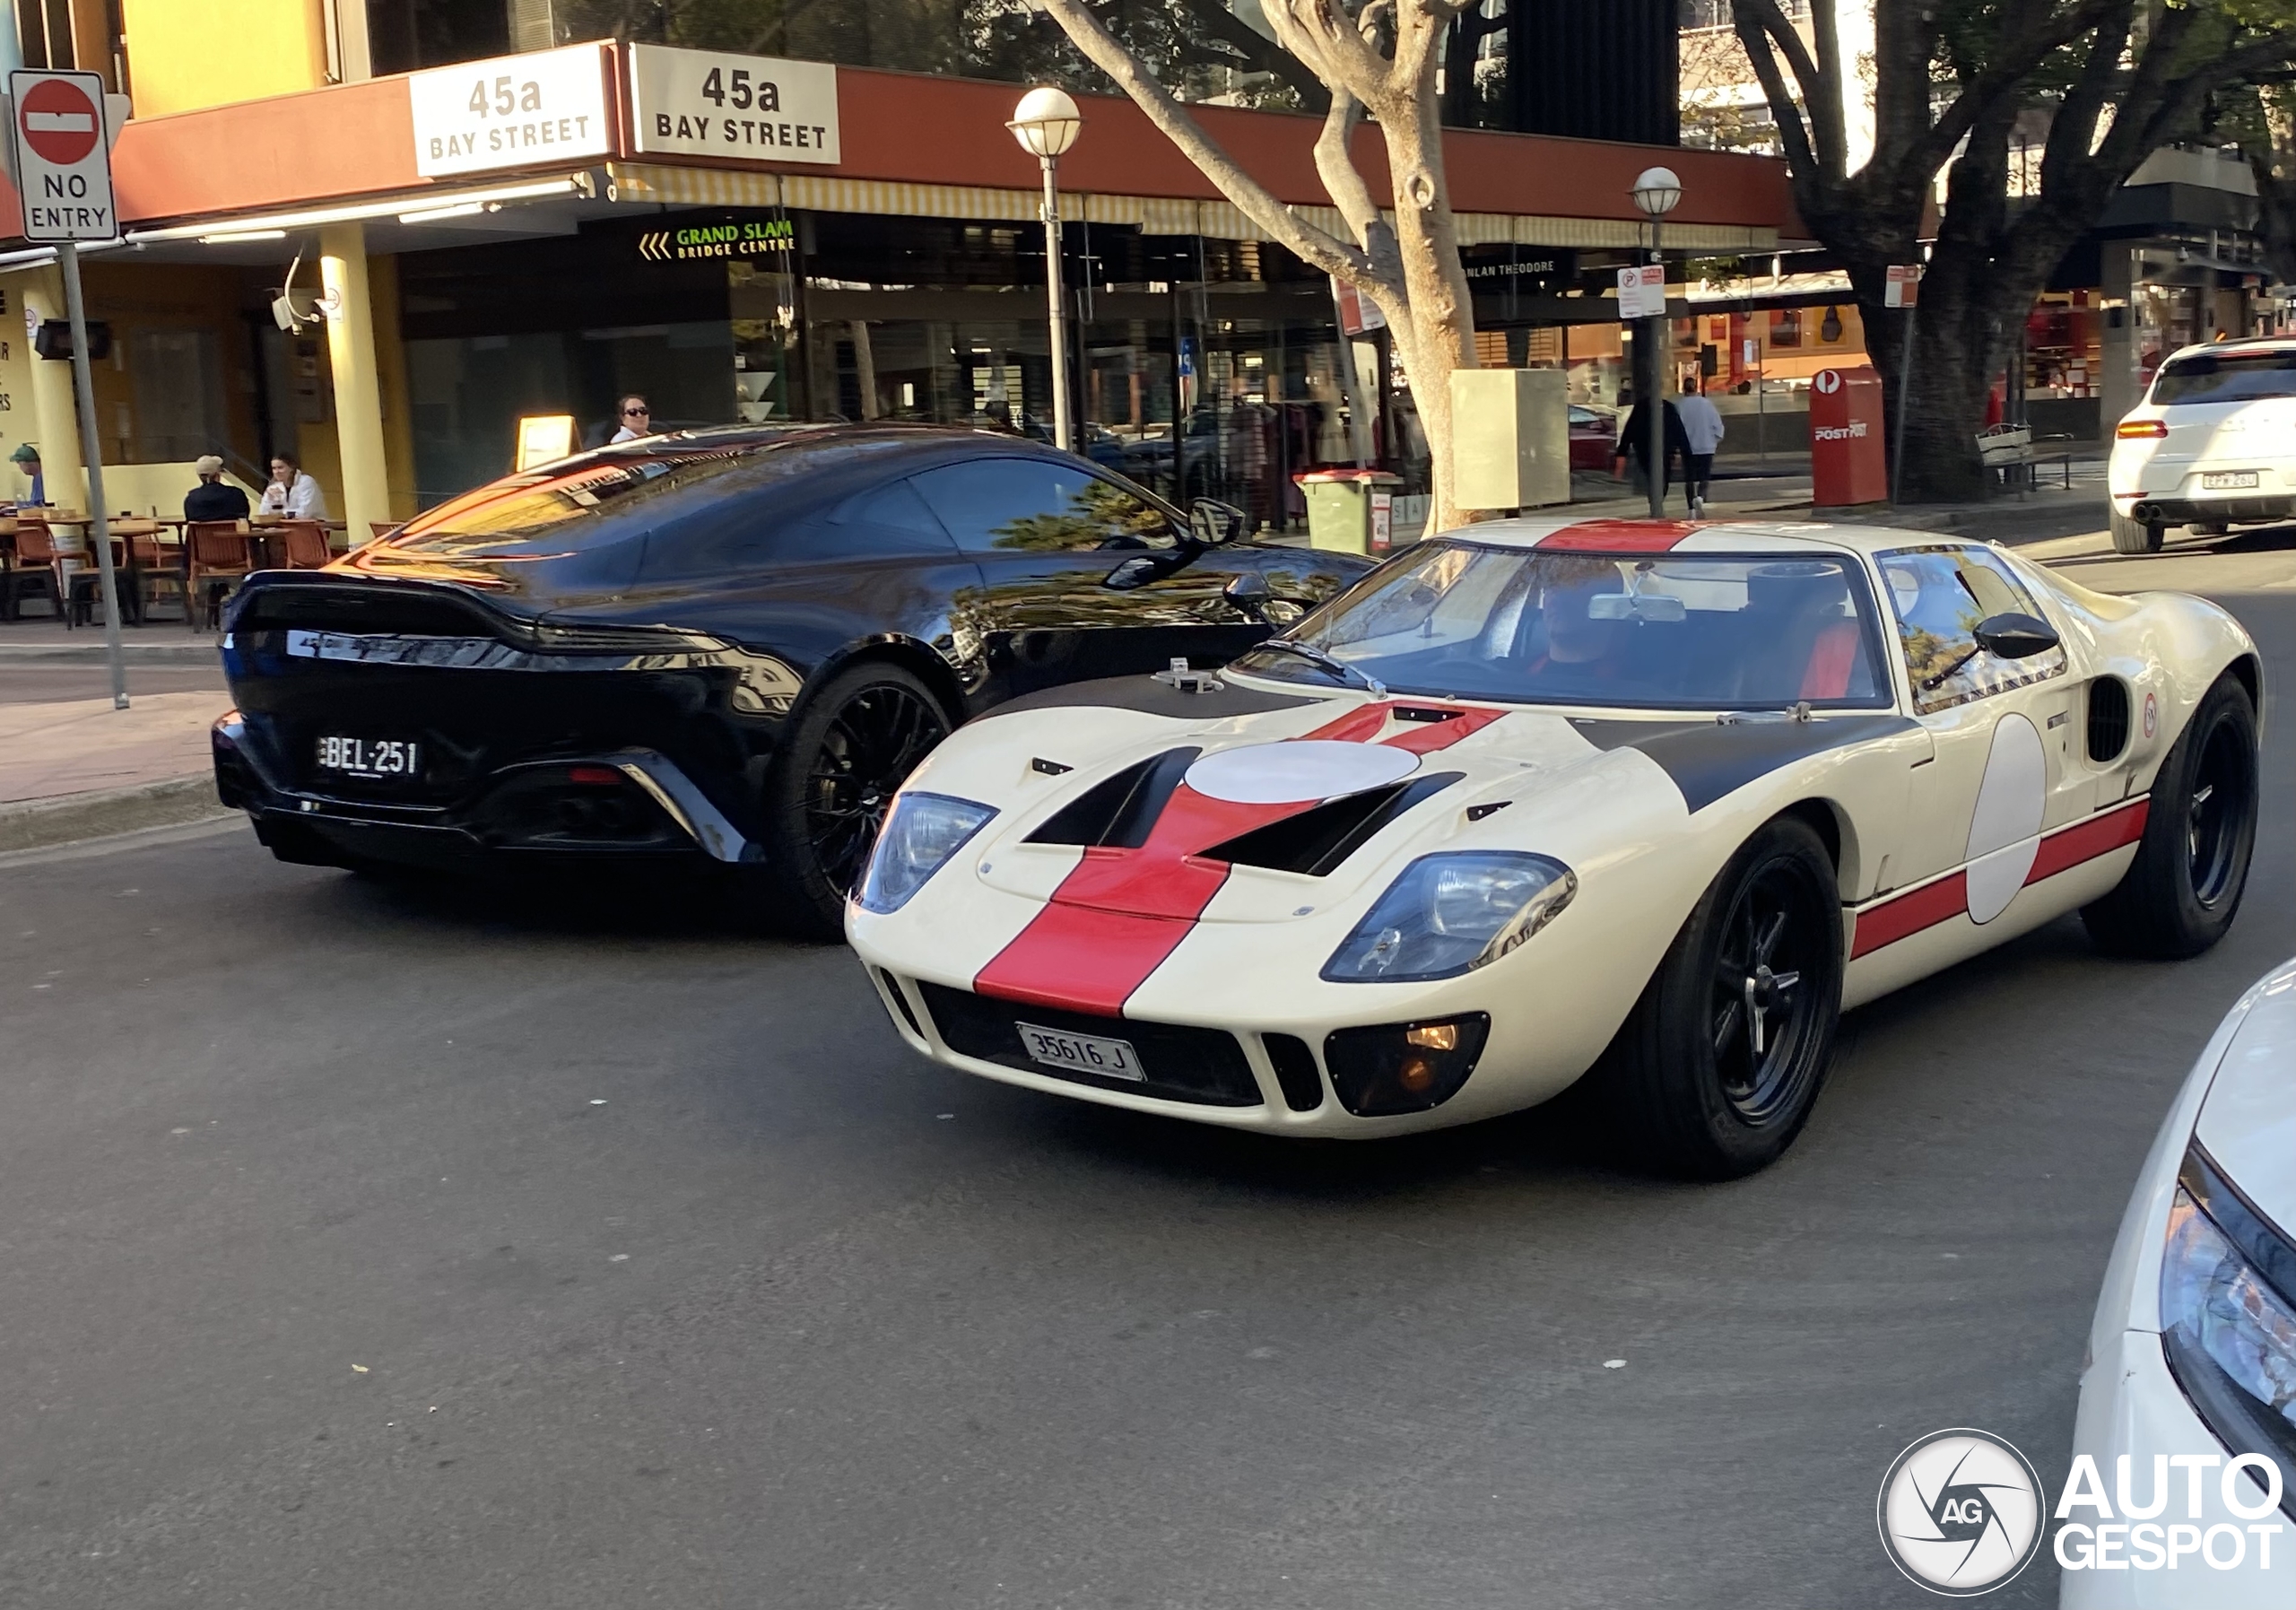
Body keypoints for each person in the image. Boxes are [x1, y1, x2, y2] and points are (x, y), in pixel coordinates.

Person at [1612, 389, 1691, 513]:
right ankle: (1657, 500)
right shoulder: (1668, 407)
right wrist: (1684, 451)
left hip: (1644, 448)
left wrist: (1622, 452)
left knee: (1652, 475)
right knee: (1663, 476)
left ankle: (1654, 500)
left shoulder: (1641, 408)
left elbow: (1629, 430)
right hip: (1665, 448)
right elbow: (1678, 429)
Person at [1675, 383, 1726, 517]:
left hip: (1688, 447)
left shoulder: (1680, 405)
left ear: (1684, 389)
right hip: (1706, 445)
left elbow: (1676, 427)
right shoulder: (1707, 404)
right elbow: (1717, 425)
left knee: (1689, 478)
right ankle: (1700, 497)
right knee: (1704, 475)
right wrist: (1715, 439)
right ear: (1696, 388)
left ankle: (1690, 508)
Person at [257, 452, 327, 519]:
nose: (277, 471)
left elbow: (305, 513)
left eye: (280, 468)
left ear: (291, 468)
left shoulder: (306, 482)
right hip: (285, 526)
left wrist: (281, 514)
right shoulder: (274, 487)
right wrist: (270, 499)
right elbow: (264, 513)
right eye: (274, 468)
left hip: (313, 526)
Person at [184, 454, 250, 523]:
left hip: (203, 534)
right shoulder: (236, 494)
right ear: (217, 475)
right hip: (230, 533)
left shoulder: (191, 499)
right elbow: (244, 517)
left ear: (199, 477)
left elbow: (190, 520)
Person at [10, 441, 43, 509]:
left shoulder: (41, 479)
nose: (20, 467)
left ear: (28, 463)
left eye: (19, 464)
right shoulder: (37, 477)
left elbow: (37, 506)